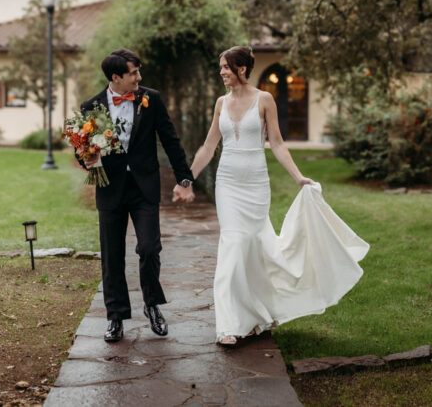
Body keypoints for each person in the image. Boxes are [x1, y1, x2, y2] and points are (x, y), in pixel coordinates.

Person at [176, 46, 369, 346]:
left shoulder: (264, 100)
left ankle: (255, 316)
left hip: (255, 184)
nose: (222, 72)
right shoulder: (220, 103)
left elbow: (277, 144)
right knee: (234, 244)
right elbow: (208, 146)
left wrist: (298, 177)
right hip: (227, 183)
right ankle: (228, 324)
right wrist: (187, 179)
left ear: (241, 69)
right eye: (220, 67)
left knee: (254, 249)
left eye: (226, 67)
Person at [80, 48, 197, 343]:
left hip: (144, 186)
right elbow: (83, 148)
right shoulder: (92, 106)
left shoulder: (150, 99)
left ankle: (152, 305)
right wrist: (86, 159)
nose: (139, 77)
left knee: (148, 248)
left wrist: (185, 178)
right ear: (116, 77)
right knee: (112, 255)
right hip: (110, 188)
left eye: (139, 72)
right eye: (133, 73)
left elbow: (170, 140)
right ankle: (115, 317)